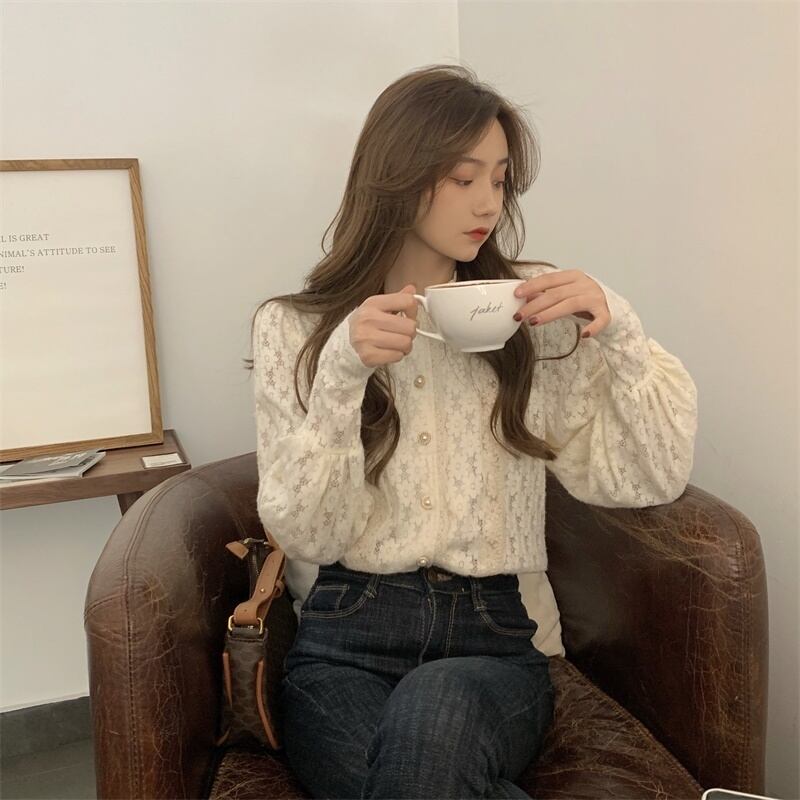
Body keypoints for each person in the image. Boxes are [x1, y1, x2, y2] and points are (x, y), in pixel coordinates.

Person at [245, 63, 698, 799]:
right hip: (344, 639)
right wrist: (341, 378)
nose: (488, 202)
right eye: (463, 178)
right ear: (396, 176)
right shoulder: (294, 328)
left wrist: (620, 330)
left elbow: (650, 478)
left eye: (500, 178)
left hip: (492, 637)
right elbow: (310, 536)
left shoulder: (531, 315)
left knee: (430, 722)